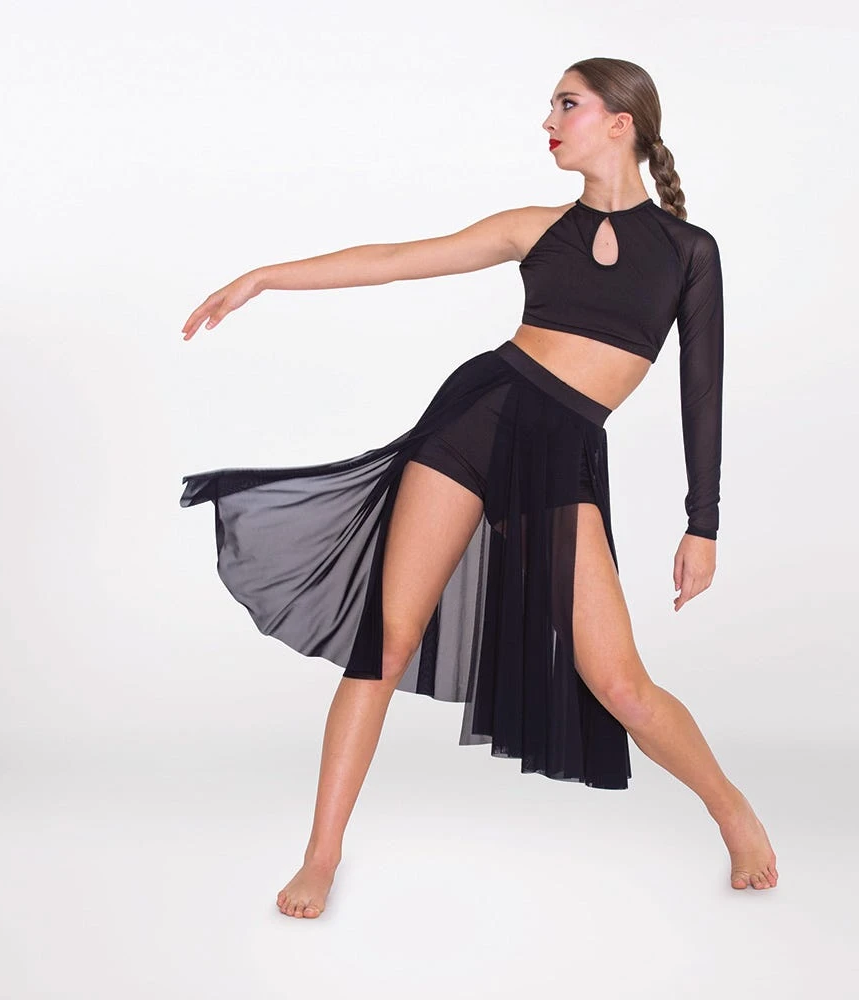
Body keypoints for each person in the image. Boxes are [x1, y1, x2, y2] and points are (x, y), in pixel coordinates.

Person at [180, 57, 778, 918]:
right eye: (551, 105)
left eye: (567, 104)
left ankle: (732, 811)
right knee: (387, 643)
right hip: (476, 422)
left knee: (620, 686)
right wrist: (265, 276)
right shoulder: (533, 228)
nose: (549, 120)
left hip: (561, 454)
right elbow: (395, 260)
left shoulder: (689, 253)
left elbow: (702, 393)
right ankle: (321, 856)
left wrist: (703, 522)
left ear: (621, 123)